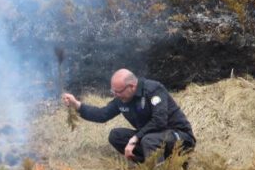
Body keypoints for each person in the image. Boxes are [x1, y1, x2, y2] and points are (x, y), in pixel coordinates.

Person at [62, 69, 195, 163]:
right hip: (152, 138)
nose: (116, 95)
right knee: (116, 135)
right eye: (113, 92)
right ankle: (147, 165)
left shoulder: (153, 89)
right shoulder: (122, 99)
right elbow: (102, 115)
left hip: (180, 137)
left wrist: (135, 138)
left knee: (148, 140)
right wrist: (76, 104)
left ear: (131, 86)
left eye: (118, 92)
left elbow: (159, 121)